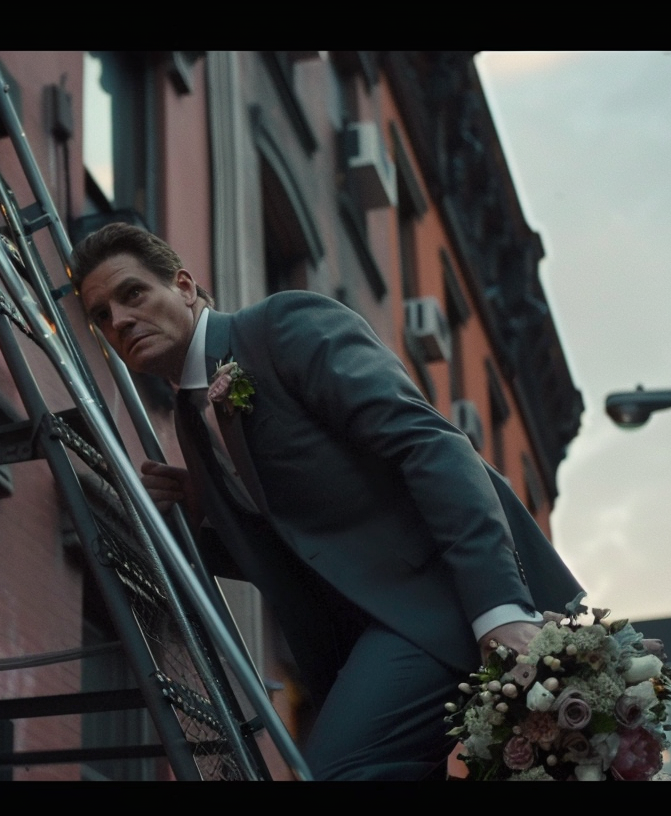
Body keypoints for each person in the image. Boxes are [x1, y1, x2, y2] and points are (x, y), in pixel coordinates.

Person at [70, 223, 582, 781]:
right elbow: (294, 550)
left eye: (133, 294)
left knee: (339, 772)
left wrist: (500, 612)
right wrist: (201, 514)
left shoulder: (281, 327)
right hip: (362, 639)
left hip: (445, 601)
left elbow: (430, 446)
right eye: (101, 315)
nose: (119, 320)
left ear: (186, 287)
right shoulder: (193, 424)